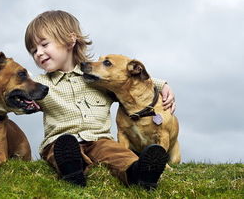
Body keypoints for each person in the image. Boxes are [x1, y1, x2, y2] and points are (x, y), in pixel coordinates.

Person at [25, 10, 176, 189]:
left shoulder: (99, 79)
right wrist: (24, 102)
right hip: (61, 140)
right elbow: (15, 93)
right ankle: (73, 172)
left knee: (118, 153)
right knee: (61, 150)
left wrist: (162, 85)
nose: (39, 54)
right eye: (33, 51)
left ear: (70, 40)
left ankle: (138, 174)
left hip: (99, 140)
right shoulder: (39, 84)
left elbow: (129, 83)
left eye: (44, 44)